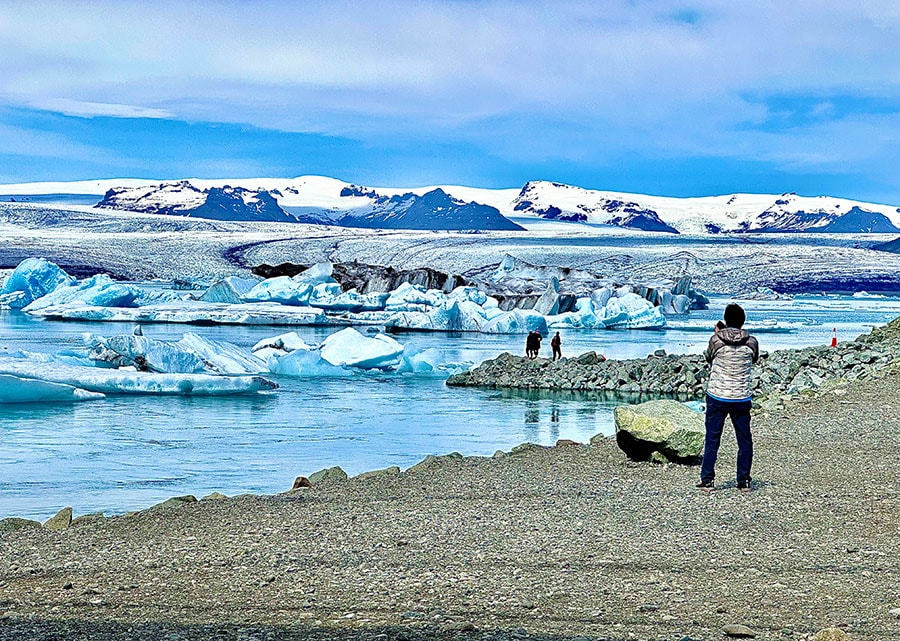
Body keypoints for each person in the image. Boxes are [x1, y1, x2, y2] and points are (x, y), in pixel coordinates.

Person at [697, 304, 759, 493]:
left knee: (713, 438)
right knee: (744, 439)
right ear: (743, 321)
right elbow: (754, 359)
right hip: (741, 397)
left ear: (725, 319)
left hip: (718, 395)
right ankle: (743, 480)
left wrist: (719, 333)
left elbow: (709, 357)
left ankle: (707, 480)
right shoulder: (752, 342)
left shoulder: (716, 340)